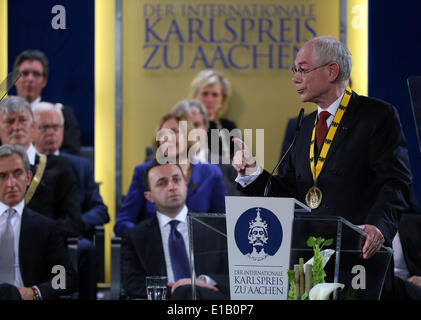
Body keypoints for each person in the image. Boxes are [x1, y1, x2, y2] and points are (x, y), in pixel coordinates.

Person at [232, 36, 414, 299]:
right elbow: (290, 193)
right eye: (295, 71)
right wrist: (253, 173)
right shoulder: (304, 126)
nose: (295, 78)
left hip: (359, 258)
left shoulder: (376, 115)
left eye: (303, 70)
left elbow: (396, 182)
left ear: (331, 71)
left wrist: (378, 227)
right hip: (310, 263)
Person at [32, 101, 109, 300]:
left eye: (56, 127)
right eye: (44, 127)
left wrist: (73, 225)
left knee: (86, 250)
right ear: (31, 129)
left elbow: (101, 210)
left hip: (71, 235)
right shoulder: (23, 165)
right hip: (35, 235)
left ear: (64, 129)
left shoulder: (81, 165)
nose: (51, 133)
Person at [121, 161, 229, 299]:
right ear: (149, 196)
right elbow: (132, 286)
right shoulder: (135, 237)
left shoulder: (215, 229)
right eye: (162, 183)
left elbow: (232, 276)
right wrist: (178, 291)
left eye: (177, 180)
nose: (172, 187)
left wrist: (203, 281)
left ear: (185, 185)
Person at [114, 112, 227, 237]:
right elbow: (123, 222)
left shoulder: (211, 174)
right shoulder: (143, 172)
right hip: (155, 250)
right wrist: (146, 238)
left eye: (175, 131)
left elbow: (224, 222)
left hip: (200, 248)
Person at [0, 144, 78, 300]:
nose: (11, 184)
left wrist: (35, 292)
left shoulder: (46, 228)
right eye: (2, 176)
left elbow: (65, 278)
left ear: (28, 178)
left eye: (17, 174)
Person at [0, 96, 83, 238]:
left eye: (22, 120)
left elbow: (73, 223)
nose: (17, 127)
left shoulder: (59, 167)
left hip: (44, 252)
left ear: (33, 127)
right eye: (9, 121)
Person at [13, 49, 81, 155]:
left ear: (44, 81)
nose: (30, 79)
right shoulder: (2, 115)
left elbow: (71, 155)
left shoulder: (62, 115)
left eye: (36, 74)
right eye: (25, 73)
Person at [171, 99, 245, 196]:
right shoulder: (155, 166)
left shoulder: (228, 167)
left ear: (205, 128)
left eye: (196, 124)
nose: (191, 131)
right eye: (185, 125)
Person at [190, 69, 239, 159]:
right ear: (195, 96)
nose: (209, 99)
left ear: (222, 99)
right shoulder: (183, 126)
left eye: (215, 95)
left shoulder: (229, 127)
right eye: (205, 94)